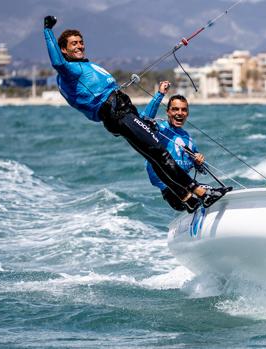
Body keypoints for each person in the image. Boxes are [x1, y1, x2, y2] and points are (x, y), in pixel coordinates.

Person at [42, 15, 225, 207]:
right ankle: (201, 192)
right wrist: (48, 30)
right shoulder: (69, 70)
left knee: (154, 157)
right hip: (118, 114)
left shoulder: (81, 66)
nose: (79, 46)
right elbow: (58, 64)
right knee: (160, 153)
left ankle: (187, 198)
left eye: (81, 42)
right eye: (74, 44)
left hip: (120, 113)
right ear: (63, 49)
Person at [142, 81, 210, 212]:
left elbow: (203, 170)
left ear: (187, 114)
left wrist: (199, 162)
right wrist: (160, 94)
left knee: (214, 193)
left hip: (189, 187)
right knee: (201, 196)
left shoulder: (188, 139)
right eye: (175, 109)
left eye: (184, 110)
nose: (180, 113)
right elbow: (144, 119)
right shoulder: (158, 130)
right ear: (168, 112)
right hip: (171, 190)